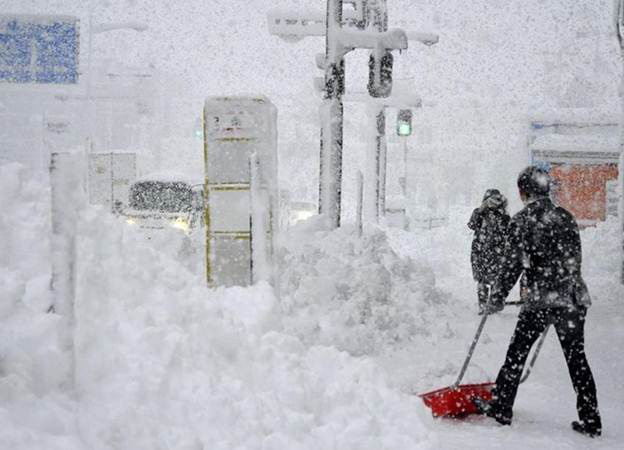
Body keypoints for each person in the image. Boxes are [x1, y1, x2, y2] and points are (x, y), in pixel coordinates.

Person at [477, 166, 602, 438]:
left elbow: (512, 266)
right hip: (572, 298)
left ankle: (501, 408)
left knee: (516, 353)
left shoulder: (522, 221)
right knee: (577, 358)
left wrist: (496, 298)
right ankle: (591, 419)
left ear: (523, 192)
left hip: (541, 300)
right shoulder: (566, 217)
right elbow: (573, 261)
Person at [468, 189, 510, 314]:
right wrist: (482, 210)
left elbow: (507, 230)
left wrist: (499, 213)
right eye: (490, 200)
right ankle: (482, 306)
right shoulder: (479, 213)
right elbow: (472, 224)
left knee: (496, 279)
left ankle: (493, 304)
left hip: (497, 252)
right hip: (480, 251)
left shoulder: (503, 215)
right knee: (481, 280)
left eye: (496, 200)